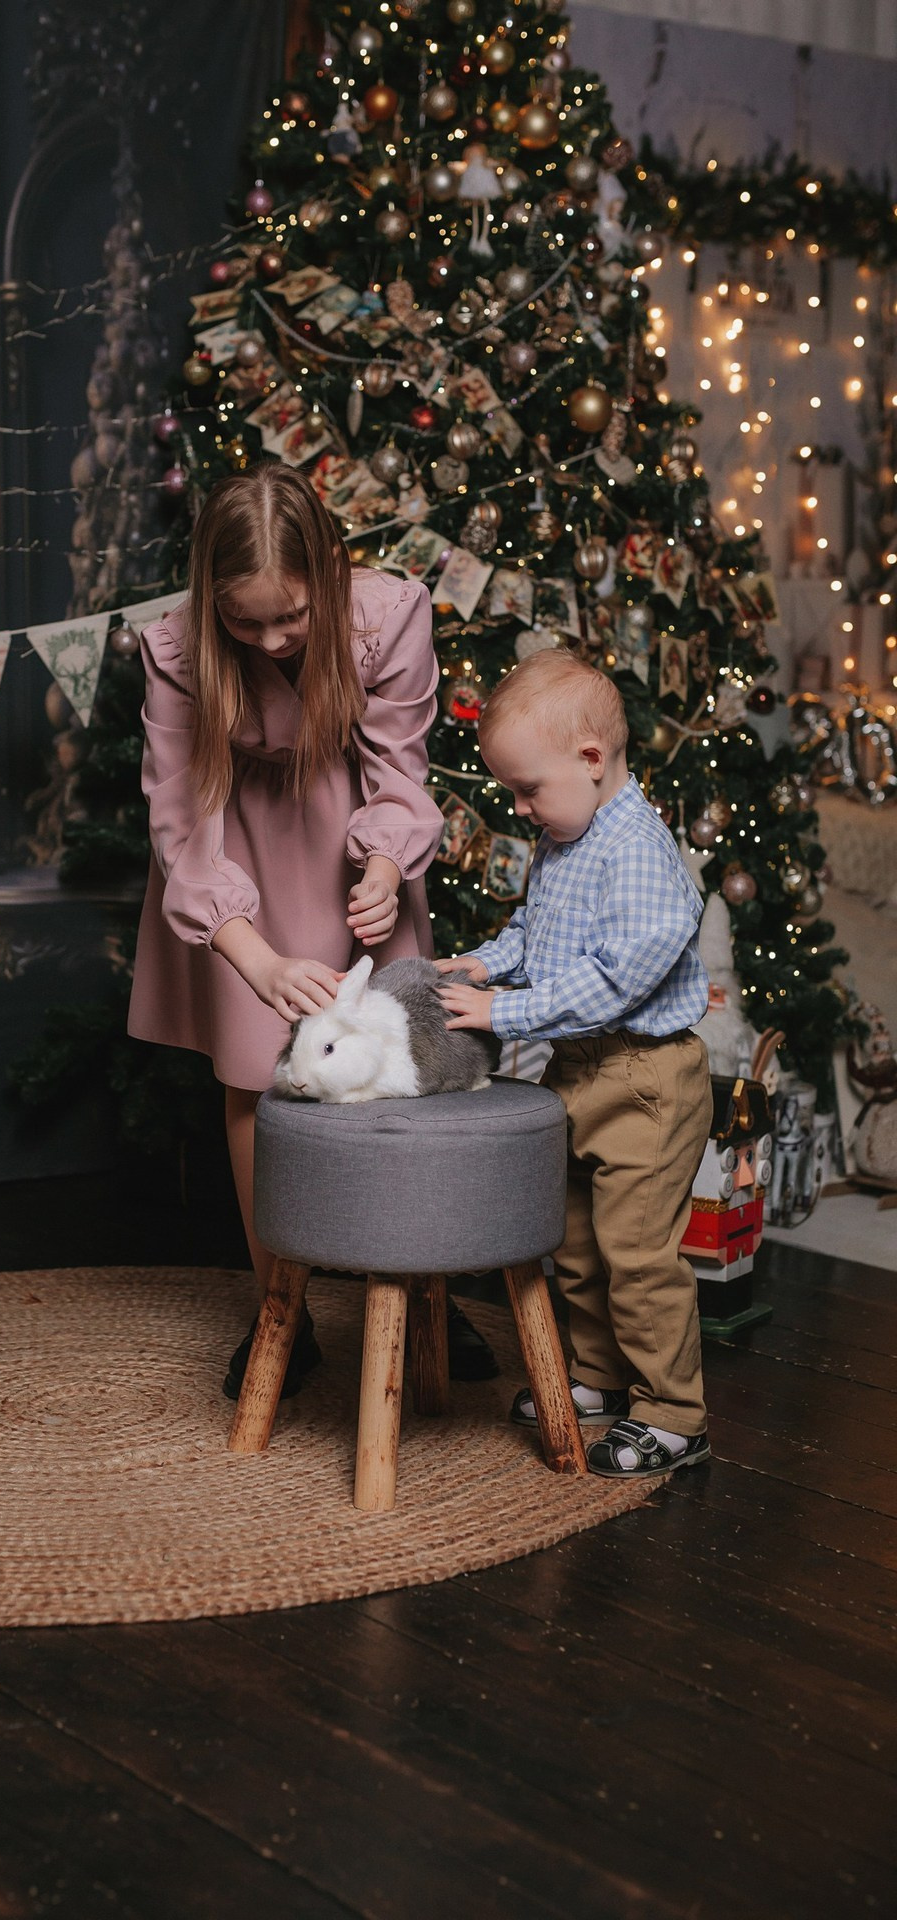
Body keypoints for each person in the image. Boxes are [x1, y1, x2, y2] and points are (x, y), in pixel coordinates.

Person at [128, 462, 498, 1395]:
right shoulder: (177, 651)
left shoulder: (389, 616)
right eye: (246, 621)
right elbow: (180, 819)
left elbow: (400, 766)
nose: (273, 637)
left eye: (291, 614)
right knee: (259, 1083)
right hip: (240, 861)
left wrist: (382, 866)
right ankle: (281, 1313)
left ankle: (426, 1299)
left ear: (330, 569)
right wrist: (249, 956)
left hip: (350, 849)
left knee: (403, 1073)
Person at [436, 649, 713, 1477]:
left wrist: (502, 1011)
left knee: (637, 1252)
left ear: (592, 760)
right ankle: (600, 1377)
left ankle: (674, 1412)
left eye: (529, 789)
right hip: (579, 1071)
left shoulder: (637, 850)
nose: (521, 809)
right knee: (580, 1243)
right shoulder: (570, 834)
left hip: (645, 1078)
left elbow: (616, 980)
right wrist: (485, 965)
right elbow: (539, 932)